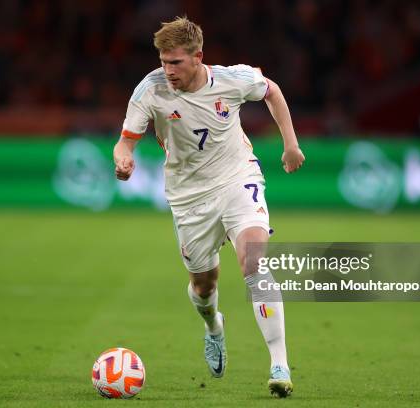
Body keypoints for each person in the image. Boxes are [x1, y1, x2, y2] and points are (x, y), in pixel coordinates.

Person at [113, 16, 304, 398]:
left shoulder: (233, 79)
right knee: (203, 285)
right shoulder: (150, 90)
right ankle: (214, 326)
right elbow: (125, 141)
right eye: (164, 61)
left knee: (253, 260)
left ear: (198, 57)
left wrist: (291, 143)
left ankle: (279, 364)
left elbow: (272, 91)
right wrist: (123, 159)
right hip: (188, 198)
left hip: (237, 178)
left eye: (176, 62)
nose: (168, 70)